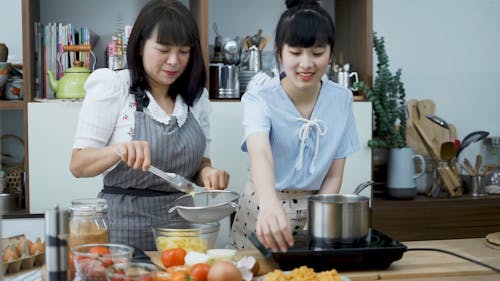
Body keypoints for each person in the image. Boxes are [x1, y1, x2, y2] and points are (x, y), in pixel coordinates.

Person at [69, 0, 229, 251]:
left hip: (180, 236)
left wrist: (208, 174)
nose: (174, 61)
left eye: (184, 51)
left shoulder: (196, 99)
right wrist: (118, 150)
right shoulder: (114, 86)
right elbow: (78, 164)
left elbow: (200, 165)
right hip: (123, 236)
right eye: (163, 50)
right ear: (141, 46)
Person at [230, 0, 359, 252]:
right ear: (279, 52)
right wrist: (269, 205)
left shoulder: (342, 99)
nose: (306, 64)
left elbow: (334, 174)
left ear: (331, 53)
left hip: (317, 213)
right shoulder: (260, 98)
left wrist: (319, 223)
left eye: (318, 53)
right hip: (262, 208)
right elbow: (260, 154)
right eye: (296, 53)